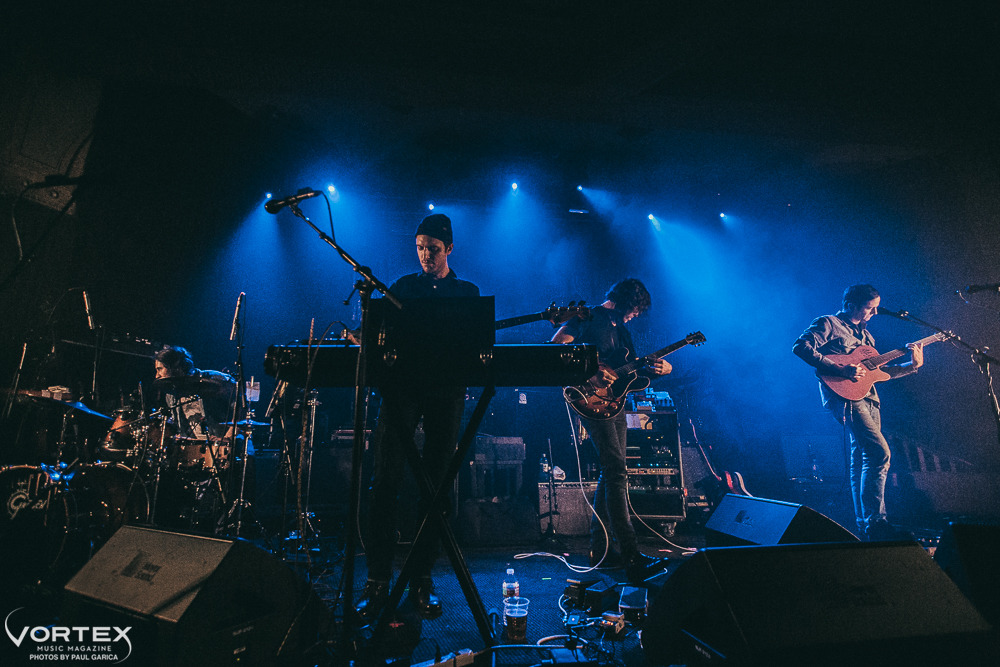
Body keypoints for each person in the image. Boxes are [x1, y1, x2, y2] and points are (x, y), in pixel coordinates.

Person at [357, 213, 480, 622]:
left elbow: (476, 347)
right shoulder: (403, 288)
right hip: (401, 391)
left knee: (436, 486)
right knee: (385, 481)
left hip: (446, 392)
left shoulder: (466, 292)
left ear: (449, 249)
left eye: (433, 248)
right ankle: (377, 579)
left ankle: (421, 578)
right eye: (420, 247)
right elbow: (381, 336)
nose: (426, 254)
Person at [550, 278, 672, 583]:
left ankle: (601, 550)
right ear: (622, 302)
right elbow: (555, 347)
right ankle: (631, 554)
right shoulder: (588, 316)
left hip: (615, 404)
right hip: (589, 399)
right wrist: (591, 370)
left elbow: (632, 372)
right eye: (633, 310)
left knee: (613, 470)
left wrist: (660, 369)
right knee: (617, 470)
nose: (634, 316)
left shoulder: (623, 330)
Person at [792, 284, 924, 541]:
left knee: (861, 459)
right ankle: (876, 521)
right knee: (879, 452)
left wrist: (911, 365)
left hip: (870, 399)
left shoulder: (868, 340)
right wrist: (842, 370)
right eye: (869, 308)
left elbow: (880, 375)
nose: (874, 313)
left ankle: (867, 528)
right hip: (845, 396)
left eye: (876, 308)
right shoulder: (828, 323)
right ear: (851, 304)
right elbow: (801, 347)